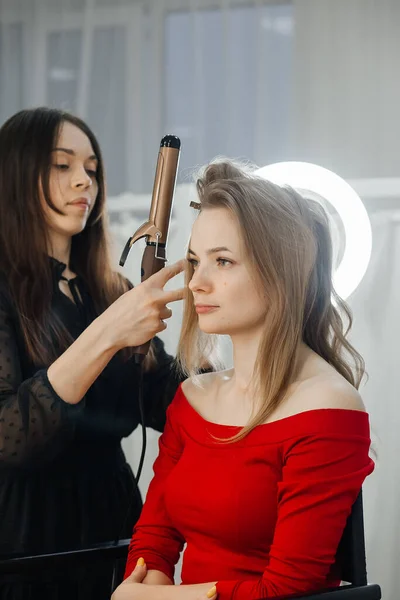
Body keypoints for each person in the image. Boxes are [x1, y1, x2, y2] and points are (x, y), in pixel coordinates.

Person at [115, 159, 375, 600]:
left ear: (282, 274)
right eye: (196, 261)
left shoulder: (330, 409)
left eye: (223, 261)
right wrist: (149, 585)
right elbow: (153, 541)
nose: (197, 283)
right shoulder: (192, 398)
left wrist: (158, 597)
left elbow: (288, 589)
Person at [0, 107, 185, 599]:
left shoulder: (109, 289)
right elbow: (11, 438)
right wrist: (107, 333)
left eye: (92, 169)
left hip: (117, 528)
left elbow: (170, 400)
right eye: (63, 165)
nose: (84, 182)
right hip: (26, 544)